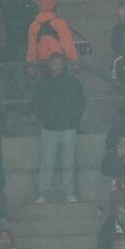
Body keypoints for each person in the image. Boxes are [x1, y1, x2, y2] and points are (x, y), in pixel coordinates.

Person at [33, 52, 85, 204]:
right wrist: (43, 118)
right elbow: (36, 103)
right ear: (50, 65)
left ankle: (69, 192)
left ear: (64, 65)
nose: (56, 67)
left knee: (68, 162)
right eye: (54, 63)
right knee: (46, 163)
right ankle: (43, 193)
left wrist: (74, 120)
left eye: (59, 64)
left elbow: (80, 103)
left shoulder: (73, 83)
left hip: (68, 128)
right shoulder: (43, 83)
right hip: (49, 128)